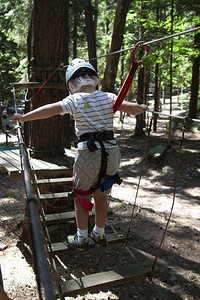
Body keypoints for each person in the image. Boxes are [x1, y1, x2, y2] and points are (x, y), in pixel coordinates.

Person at [12, 58, 147, 250]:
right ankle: (99, 233)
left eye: (86, 75)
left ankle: (81, 237)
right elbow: (130, 108)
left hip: (89, 153)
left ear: (71, 85)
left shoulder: (74, 100)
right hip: (111, 151)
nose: (85, 78)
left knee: (82, 195)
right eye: (83, 75)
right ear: (96, 80)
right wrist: (144, 108)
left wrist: (25, 117)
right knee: (102, 194)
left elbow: (49, 110)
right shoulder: (108, 97)